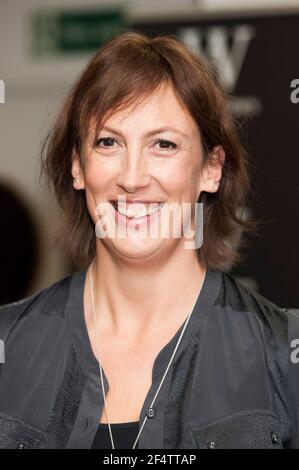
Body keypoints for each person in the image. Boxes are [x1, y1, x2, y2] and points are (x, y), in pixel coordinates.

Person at [0, 30, 298, 450]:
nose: (133, 178)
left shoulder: (283, 355)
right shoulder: (8, 345)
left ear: (211, 169)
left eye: (163, 144)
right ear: (77, 167)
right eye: (108, 142)